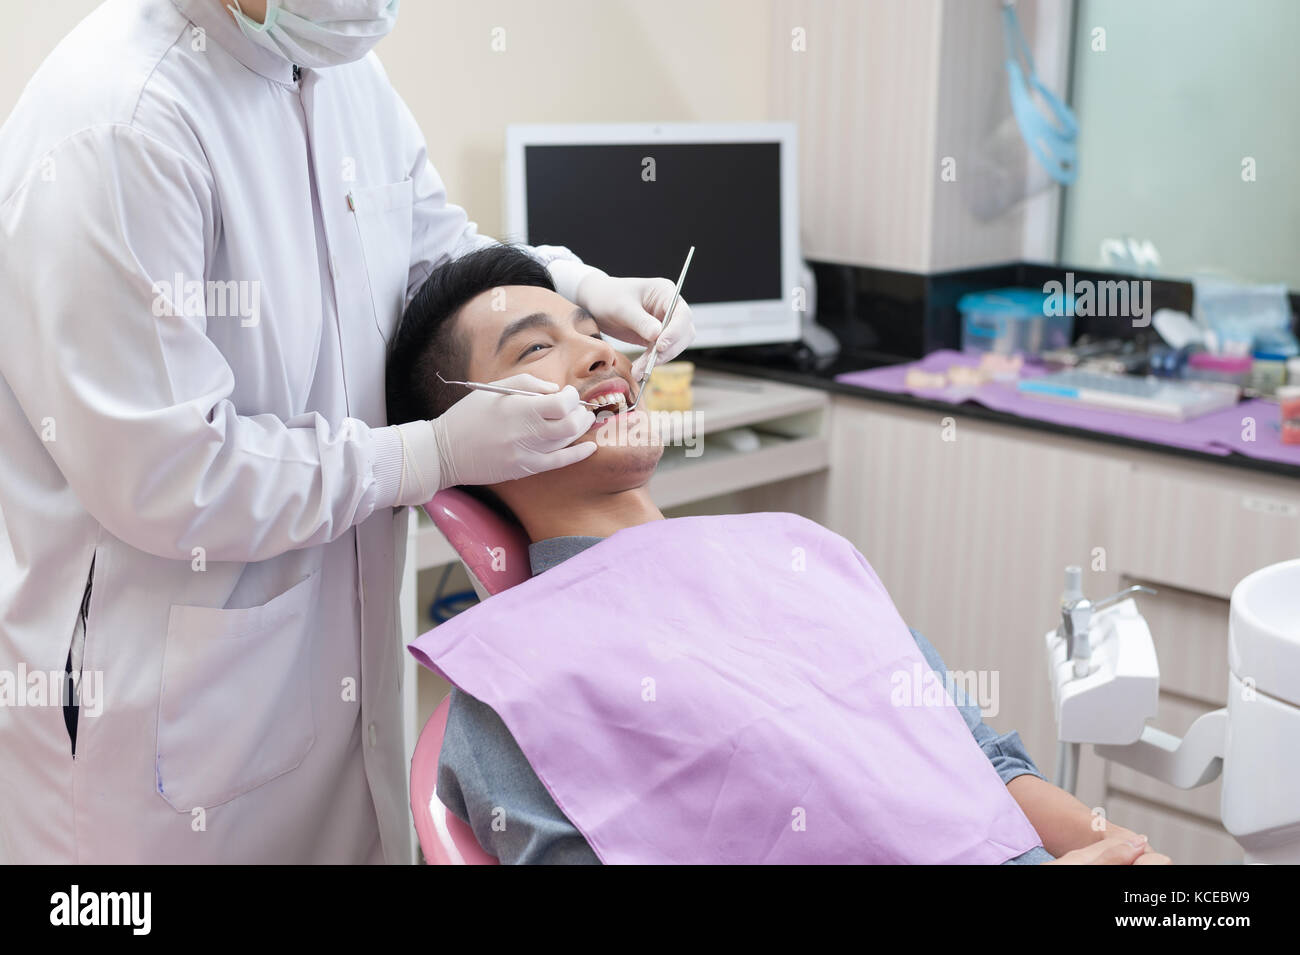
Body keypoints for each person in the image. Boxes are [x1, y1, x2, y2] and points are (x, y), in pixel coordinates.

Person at [0, 0, 693, 864]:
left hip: (328, 684)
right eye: (542, 349)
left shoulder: (336, 71)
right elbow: (172, 473)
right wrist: (430, 453)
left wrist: (577, 284)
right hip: (157, 749)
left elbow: (430, 258)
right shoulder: (120, 127)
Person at [387, 244, 1171, 865]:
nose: (601, 356)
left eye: (594, 333)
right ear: (467, 439)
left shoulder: (800, 551)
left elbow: (981, 764)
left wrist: (1129, 852)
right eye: (534, 351)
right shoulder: (514, 693)